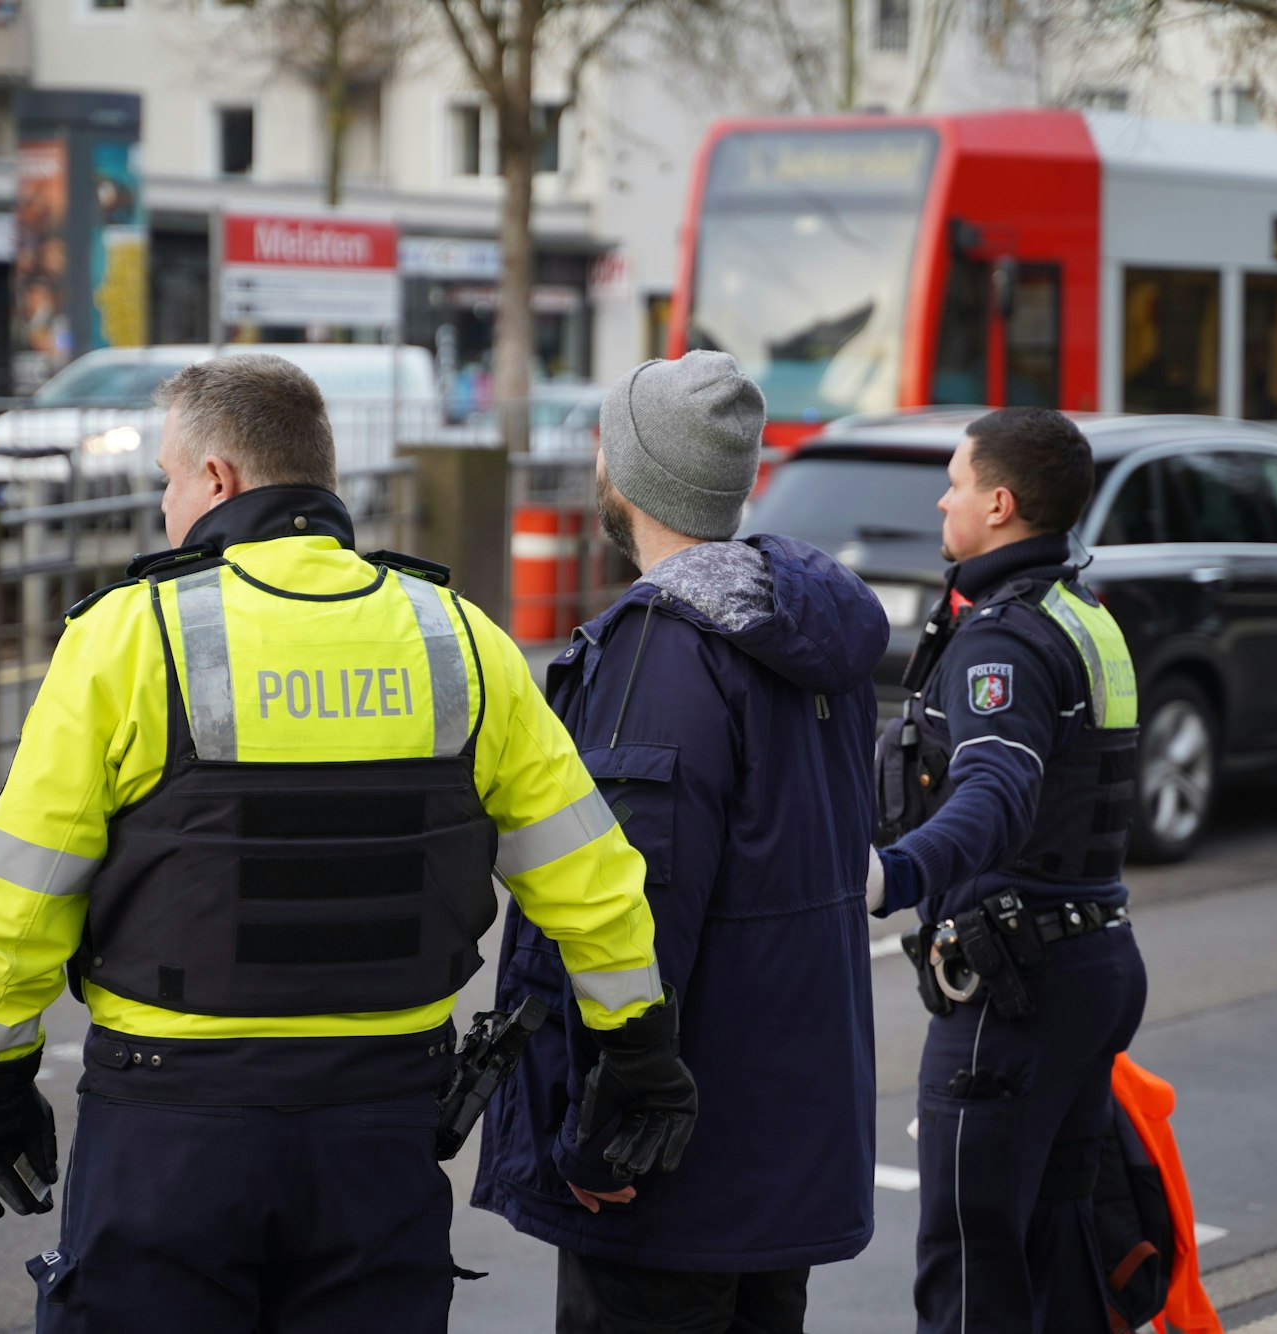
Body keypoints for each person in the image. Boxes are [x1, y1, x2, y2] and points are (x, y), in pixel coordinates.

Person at [0, 355, 697, 1333]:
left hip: (170, 1124)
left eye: (167, 479)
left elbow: (20, 896)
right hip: (380, 1127)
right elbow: (589, 878)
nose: (166, 504)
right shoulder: (460, 641)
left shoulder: (128, 637)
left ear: (216, 479)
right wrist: (635, 1044)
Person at [474, 350, 888, 1334]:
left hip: (672, 1168)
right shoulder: (805, 634)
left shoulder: (662, 650)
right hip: (779, 1150)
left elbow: (632, 909)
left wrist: (605, 1123)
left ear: (628, 474)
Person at [870, 406, 1149, 1334]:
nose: (942, 499)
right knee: (1057, 1254)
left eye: (954, 482)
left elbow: (997, 789)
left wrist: (895, 877)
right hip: (1094, 962)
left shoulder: (1001, 641)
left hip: (1013, 990)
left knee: (969, 1265)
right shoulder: (1081, 613)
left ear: (999, 502)